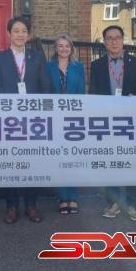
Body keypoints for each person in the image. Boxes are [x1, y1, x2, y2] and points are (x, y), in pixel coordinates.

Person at [0, 16, 53, 224]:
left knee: (32, 162)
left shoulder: (37, 57)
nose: (20, 34)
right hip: (8, 121)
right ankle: (12, 206)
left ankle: (31, 205)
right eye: (16, 31)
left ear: (29, 35)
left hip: (33, 121)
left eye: (24, 31)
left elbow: (46, 87)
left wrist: (41, 113)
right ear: (9, 34)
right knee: (11, 163)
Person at [89, 25, 136, 222]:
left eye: (117, 37)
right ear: (104, 42)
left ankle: (133, 203)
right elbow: (93, 93)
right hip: (107, 121)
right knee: (111, 161)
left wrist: (135, 98)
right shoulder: (97, 65)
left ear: (123, 40)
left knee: (133, 161)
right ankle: (113, 202)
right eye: (109, 38)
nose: (114, 41)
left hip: (131, 121)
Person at [47, 35, 85, 215]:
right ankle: (63, 198)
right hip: (54, 118)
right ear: (56, 49)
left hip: (73, 118)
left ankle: (73, 197)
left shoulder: (79, 67)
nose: (63, 49)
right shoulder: (48, 66)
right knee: (59, 158)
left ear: (71, 48)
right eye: (60, 46)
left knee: (73, 158)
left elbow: (82, 92)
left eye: (67, 46)